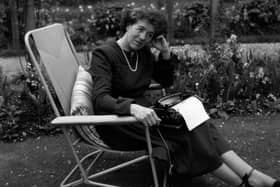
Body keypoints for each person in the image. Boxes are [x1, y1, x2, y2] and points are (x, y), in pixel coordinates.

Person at [86, 7, 280, 187]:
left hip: (148, 114)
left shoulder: (142, 52)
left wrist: (164, 53)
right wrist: (132, 107)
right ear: (128, 24)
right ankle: (243, 182)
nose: (143, 37)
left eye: (150, 34)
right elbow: (100, 99)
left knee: (199, 120)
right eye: (140, 29)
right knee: (188, 130)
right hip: (120, 122)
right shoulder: (104, 54)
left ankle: (250, 175)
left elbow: (165, 80)